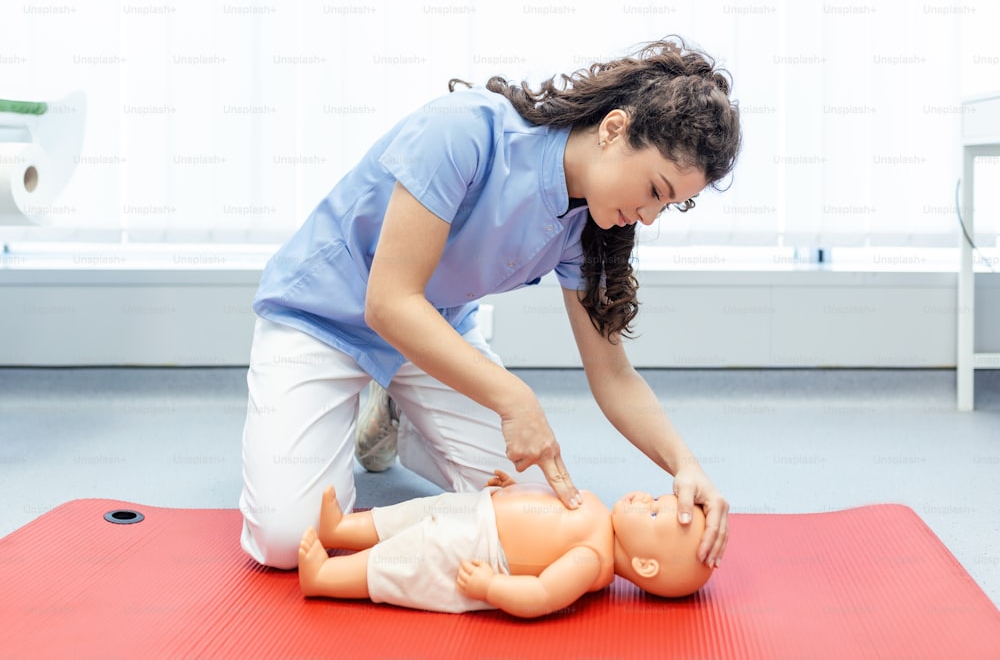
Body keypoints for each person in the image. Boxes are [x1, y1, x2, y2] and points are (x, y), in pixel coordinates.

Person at [239, 35, 741, 570]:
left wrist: (685, 465)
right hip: (322, 318)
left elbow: (613, 376)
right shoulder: (464, 131)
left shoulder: (593, 224)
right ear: (614, 130)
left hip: (430, 333)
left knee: (527, 507)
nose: (647, 218)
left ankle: (398, 419)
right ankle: (368, 411)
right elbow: (386, 303)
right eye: (655, 190)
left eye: (670, 206)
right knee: (286, 538)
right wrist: (514, 399)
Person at [297, 471, 714, 617]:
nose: (647, 499)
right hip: (479, 509)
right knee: (414, 512)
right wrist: (518, 491)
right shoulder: (601, 518)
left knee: (410, 555)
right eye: (659, 497)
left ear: (645, 566)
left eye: (654, 513)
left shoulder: (592, 559)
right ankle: (341, 530)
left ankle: (327, 576)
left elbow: (542, 595)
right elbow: (548, 510)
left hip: (477, 545)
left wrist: (491, 587)